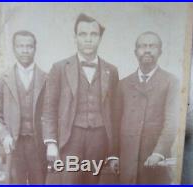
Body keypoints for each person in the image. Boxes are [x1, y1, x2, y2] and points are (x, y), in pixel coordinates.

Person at [41, 13, 120, 184]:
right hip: (71, 137)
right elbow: (49, 109)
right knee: (69, 181)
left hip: (99, 138)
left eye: (94, 35)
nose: (88, 39)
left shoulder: (111, 71)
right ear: (75, 37)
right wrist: (51, 142)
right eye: (83, 34)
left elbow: (114, 114)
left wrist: (114, 151)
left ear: (100, 38)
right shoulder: (60, 68)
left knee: (92, 182)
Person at [119, 31, 180, 184]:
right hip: (127, 163)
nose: (147, 50)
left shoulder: (171, 82)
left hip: (154, 162)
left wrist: (158, 153)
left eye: (152, 46)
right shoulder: (123, 84)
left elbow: (172, 123)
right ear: (135, 52)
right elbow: (116, 122)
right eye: (142, 46)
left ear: (160, 51)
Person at [0, 30, 47, 184]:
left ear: (35, 48)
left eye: (29, 46)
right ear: (14, 48)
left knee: (40, 182)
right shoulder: (2, 79)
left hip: (37, 145)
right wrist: (4, 136)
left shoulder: (46, 79)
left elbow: (52, 114)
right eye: (20, 46)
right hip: (14, 144)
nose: (25, 50)